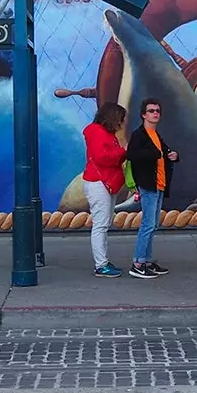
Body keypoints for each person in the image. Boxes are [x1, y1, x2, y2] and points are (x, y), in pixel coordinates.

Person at [122, 97, 177, 279]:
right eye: (151, 111)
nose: (155, 114)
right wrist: (156, 153)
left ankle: (146, 260)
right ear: (143, 115)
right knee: (147, 224)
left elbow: (164, 153)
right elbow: (132, 154)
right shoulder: (140, 135)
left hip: (159, 184)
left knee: (153, 225)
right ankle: (138, 262)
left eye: (157, 111)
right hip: (148, 185)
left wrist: (174, 156)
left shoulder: (156, 135)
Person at [81, 102, 128, 278]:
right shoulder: (96, 132)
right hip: (98, 182)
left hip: (103, 182)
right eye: (121, 119)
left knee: (104, 223)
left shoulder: (102, 132)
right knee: (100, 224)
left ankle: (103, 262)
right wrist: (123, 152)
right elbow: (102, 157)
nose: (122, 123)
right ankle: (101, 265)